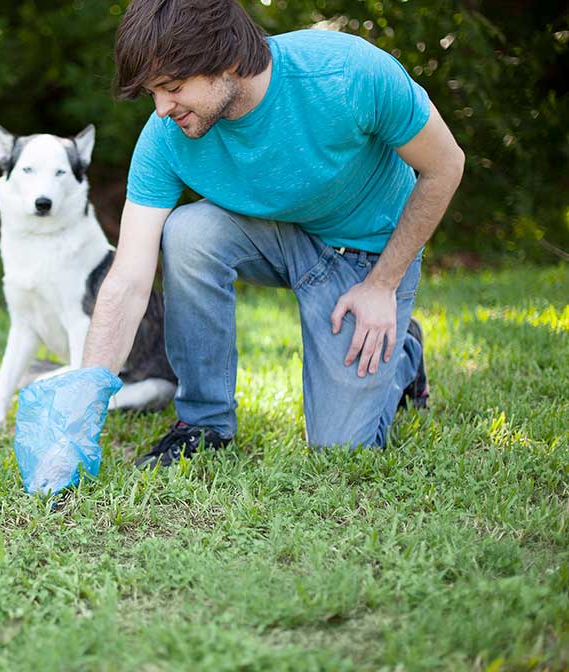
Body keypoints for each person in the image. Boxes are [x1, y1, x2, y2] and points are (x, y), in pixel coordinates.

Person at [82, 0, 465, 469]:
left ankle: (404, 353)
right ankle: (204, 422)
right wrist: (83, 404)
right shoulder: (166, 137)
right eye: (153, 93)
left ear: (225, 60)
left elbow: (446, 166)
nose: (161, 109)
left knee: (340, 450)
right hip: (278, 238)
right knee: (186, 232)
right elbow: (127, 280)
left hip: (367, 256)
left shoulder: (345, 74)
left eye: (173, 88)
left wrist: (384, 283)